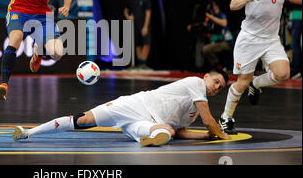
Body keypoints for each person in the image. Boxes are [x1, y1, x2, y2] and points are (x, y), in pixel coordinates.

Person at [13, 69, 231, 146]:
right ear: (205, 77)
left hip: (147, 122)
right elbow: (209, 121)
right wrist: (221, 135)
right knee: (82, 120)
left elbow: (182, 131)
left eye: (220, 87)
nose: (216, 87)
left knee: (168, 132)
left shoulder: (193, 111)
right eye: (216, 82)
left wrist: (205, 137)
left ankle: (147, 138)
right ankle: (28, 132)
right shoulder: (196, 83)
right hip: (133, 105)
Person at [219, 0, 291, 134]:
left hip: (271, 40)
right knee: (242, 82)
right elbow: (233, 5)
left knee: (283, 74)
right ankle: (226, 117)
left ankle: (256, 84)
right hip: (249, 39)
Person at [124, 0, 152, 70]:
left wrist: (145, 26)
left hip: (143, 24)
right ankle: (140, 63)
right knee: (138, 44)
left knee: (146, 43)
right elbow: (126, 10)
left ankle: (143, 62)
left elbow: (148, 12)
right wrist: (128, 17)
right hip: (134, 25)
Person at [202, 0, 233, 69]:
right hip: (216, 41)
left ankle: (220, 66)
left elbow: (224, 23)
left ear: (216, 7)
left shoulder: (221, 15)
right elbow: (206, 25)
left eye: (212, 7)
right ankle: (217, 66)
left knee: (206, 49)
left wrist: (210, 16)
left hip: (226, 42)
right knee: (205, 49)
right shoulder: (211, 17)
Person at [283, 0, 302, 79]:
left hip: (299, 17)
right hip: (290, 19)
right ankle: (294, 68)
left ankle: (296, 70)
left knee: (295, 44)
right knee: (293, 44)